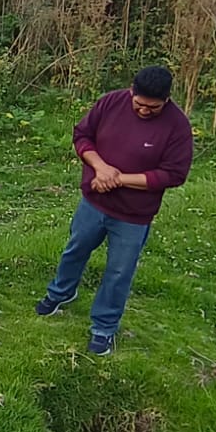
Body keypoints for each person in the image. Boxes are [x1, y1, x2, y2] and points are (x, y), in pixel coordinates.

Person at [35, 65, 193, 355]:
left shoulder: (177, 126)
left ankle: (103, 327)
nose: (144, 111)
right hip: (94, 202)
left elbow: (173, 174)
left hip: (134, 215)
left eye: (153, 108)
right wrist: (101, 167)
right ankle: (61, 293)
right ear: (132, 91)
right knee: (75, 248)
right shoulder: (111, 102)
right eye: (139, 104)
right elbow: (82, 136)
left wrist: (119, 179)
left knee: (119, 271)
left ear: (167, 100)